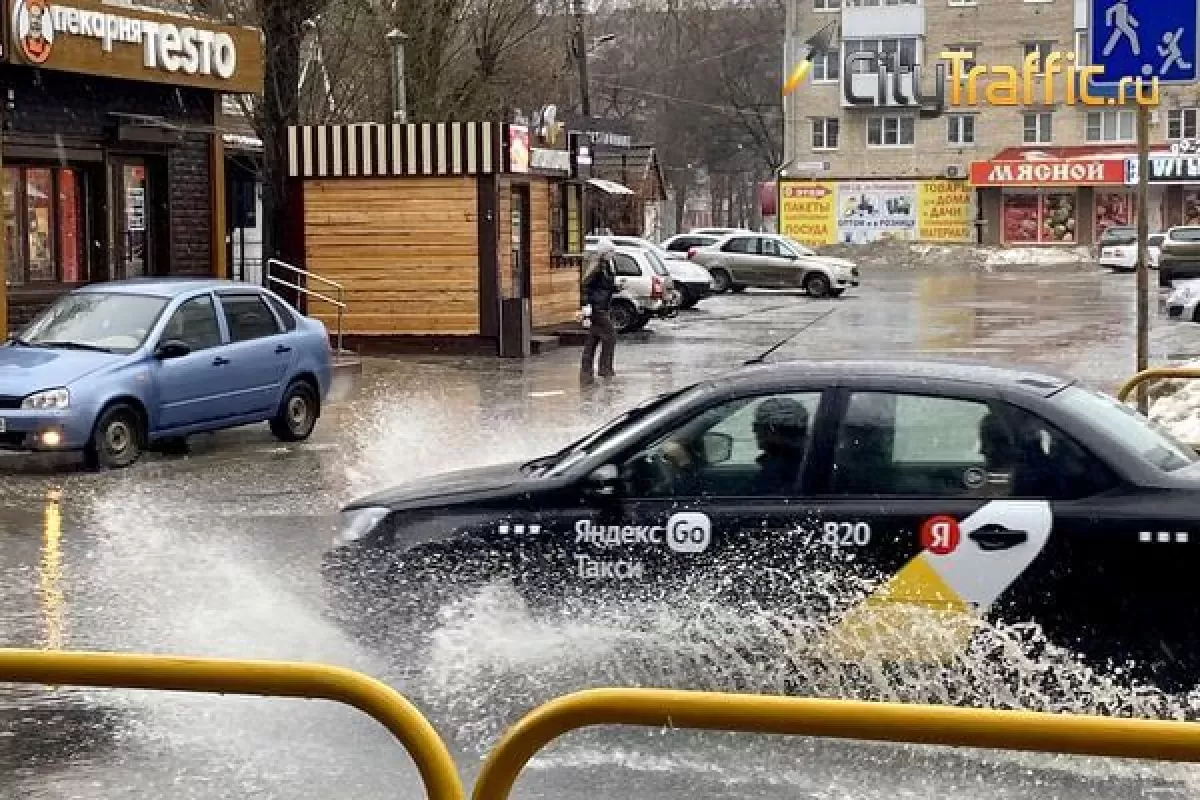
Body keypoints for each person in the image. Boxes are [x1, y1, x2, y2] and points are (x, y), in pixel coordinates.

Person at [750, 397, 810, 495]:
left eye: (756, 426)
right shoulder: (808, 461)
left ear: (772, 430)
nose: (754, 431)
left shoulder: (777, 469)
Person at [580, 241, 621, 383]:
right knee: (610, 336)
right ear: (604, 253)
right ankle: (604, 369)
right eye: (611, 252)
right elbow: (585, 286)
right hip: (597, 308)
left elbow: (605, 286)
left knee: (594, 338)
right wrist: (586, 305)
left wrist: (617, 287)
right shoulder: (596, 267)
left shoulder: (607, 266)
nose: (613, 254)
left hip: (603, 306)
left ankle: (587, 370)